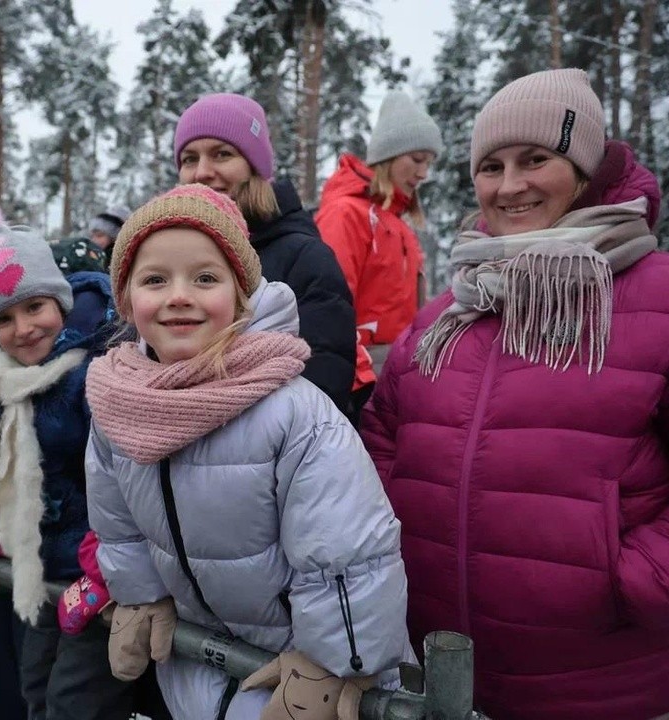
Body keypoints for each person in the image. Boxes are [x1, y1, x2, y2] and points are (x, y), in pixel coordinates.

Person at [362, 68, 669, 720]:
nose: (510, 185)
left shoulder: (656, 296)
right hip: (447, 676)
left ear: (585, 167)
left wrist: (638, 579)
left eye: (536, 159)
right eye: (491, 166)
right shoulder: (449, 309)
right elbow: (385, 435)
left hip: (602, 682)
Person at [85, 184, 412, 720]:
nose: (179, 295)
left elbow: (347, 552)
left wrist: (333, 660)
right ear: (126, 300)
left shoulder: (292, 412)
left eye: (205, 278)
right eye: (154, 280)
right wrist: (140, 594)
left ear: (242, 294)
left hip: (297, 667)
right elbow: (118, 524)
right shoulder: (117, 406)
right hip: (195, 661)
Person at [0, 205, 134, 720]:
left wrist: (105, 566)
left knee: (75, 702)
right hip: (43, 568)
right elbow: (0, 465)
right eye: (3, 318)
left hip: (97, 576)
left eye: (34, 308)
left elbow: (122, 473)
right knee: (34, 689)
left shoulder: (95, 373)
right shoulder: (3, 380)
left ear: (61, 302)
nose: (23, 328)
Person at [173, 93, 357, 419]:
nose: (202, 172)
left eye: (222, 154)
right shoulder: (168, 258)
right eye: (189, 159)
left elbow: (321, 393)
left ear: (255, 168)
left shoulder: (305, 259)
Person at [315, 91, 443, 408]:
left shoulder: (397, 224)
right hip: (361, 379)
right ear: (388, 156)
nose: (424, 173)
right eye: (416, 160)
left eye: (428, 163)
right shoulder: (346, 214)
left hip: (396, 376)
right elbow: (330, 305)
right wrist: (360, 386)